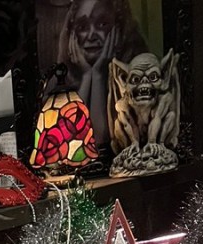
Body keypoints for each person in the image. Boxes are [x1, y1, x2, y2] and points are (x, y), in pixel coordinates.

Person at [56, 0, 147, 149]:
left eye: (102, 24)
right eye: (82, 27)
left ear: (120, 29)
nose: (91, 35)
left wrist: (98, 74)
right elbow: (73, 142)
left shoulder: (140, 79)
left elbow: (101, 141)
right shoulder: (57, 84)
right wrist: (87, 76)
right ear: (72, 35)